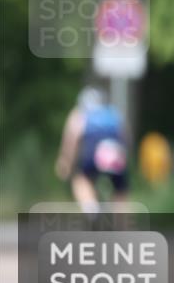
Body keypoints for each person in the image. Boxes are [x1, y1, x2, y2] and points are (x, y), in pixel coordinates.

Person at [55, 85, 130, 215]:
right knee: (120, 190)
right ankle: (122, 221)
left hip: (94, 152)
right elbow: (125, 136)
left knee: (80, 179)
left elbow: (72, 138)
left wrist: (65, 161)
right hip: (115, 152)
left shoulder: (80, 113)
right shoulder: (112, 112)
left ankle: (91, 209)